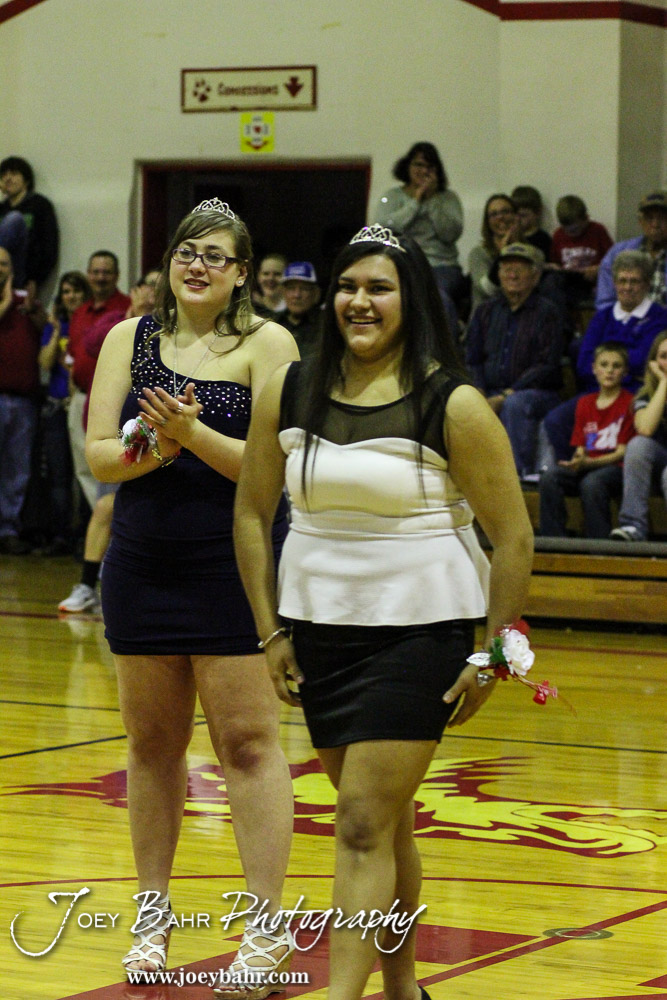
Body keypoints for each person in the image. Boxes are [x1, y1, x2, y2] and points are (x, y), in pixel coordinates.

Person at [233, 224, 533, 1000]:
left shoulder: (452, 404)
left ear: (412, 300)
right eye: (347, 286)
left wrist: (492, 654)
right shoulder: (288, 389)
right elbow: (251, 514)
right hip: (318, 634)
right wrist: (269, 631)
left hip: (419, 636)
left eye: (378, 288)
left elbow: (512, 537)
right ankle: (403, 989)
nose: (358, 302)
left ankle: (342, 995)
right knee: (385, 825)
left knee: (361, 824)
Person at [85, 198, 299, 989]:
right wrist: (159, 445)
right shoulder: (128, 338)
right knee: (151, 746)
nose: (197, 265)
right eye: (185, 251)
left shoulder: (270, 343)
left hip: (233, 566)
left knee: (246, 744)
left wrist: (191, 435)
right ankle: (151, 921)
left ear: (241, 273)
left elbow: (274, 467)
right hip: (140, 563)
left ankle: (265, 934)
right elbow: (101, 456)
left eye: (214, 255)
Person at [59, 271, 160, 612]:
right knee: (105, 507)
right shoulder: (118, 322)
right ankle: (91, 583)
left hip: (160, 427)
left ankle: (116, 582)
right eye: (147, 285)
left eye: (158, 286)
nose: (152, 292)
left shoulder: (176, 329)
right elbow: (89, 344)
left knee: (122, 509)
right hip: (116, 428)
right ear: (135, 289)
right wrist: (133, 316)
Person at [542, 250, 667, 464]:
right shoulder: (603, 316)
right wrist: (621, 369)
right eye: (622, 280)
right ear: (614, 283)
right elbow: (584, 364)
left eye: (634, 281)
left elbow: (645, 361)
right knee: (556, 420)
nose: (627, 287)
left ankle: (613, 471)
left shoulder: (660, 317)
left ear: (647, 284)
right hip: (598, 392)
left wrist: (605, 365)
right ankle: (573, 470)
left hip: (636, 393)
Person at [465, 242, 563, 477]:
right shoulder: (484, 311)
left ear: (535, 276)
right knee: (461, 402)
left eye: (520, 269)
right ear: (498, 275)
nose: (512, 275)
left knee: (515, 404)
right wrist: (479, 391)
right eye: (507, 268)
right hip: (489, 390)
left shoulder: (548, 312)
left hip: (535, 393)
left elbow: (547, 365)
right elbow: (472, 358)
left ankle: (517, 477)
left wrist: (506, 395)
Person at [539, 343, 635, 538]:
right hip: (588, 465)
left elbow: (622, 452)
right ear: (594, 368)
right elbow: (581, 446)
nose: (610, 371)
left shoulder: (630, 402)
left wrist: (587, 463)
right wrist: (577, 460)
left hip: (616, 468)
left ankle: (599, 547)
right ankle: (555, 542)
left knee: (592, 483)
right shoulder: (584, 403)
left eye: (616, 366)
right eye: (604, 365)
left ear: (625, 372)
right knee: (550, 477)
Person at [67, 251, 131, 513]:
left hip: (112, 403)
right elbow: (73, 353)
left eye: (106, 272)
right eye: (95, 272)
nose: (100, 277)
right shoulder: (80, 311)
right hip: (80, 398)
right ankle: (99, 523)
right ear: (88, 274)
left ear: (117, 275)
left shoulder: (126, 309)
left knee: (108, 467)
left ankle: (107, 523)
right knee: (84, 469)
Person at [37, 271, 92, 555]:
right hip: (56, 406)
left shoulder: (90, 325)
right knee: (59, 477)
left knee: (85, 474)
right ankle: (61, 536)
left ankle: (85, 536)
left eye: (76, 291)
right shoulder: (55, 326)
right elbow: (45, 364)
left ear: (85, 294)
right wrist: (58, 331)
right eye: (66, 292)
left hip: (83, 405)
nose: (71, 297)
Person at [373, 141, 464, 305]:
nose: (423, 171)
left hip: (441, 266)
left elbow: (450, 234)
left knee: (437, 298)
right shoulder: (392, 196)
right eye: (418, 165)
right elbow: (383, 229)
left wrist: (432, 200)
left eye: (429, 167)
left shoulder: (449, 198)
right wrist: (415, 201)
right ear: (407, 166)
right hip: (401, 263)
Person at [0, 246, 43, 554]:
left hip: (23, 401)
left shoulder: (26, 303)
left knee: (17, 471)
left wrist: (37, 313)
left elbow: (47, 332)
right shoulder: (8, 303)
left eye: (4, 264)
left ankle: (8, 529)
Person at [610, 331, 667, 541]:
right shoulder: (646, 394)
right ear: (654, 362)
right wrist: (664, 383)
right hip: (658, 459)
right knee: (638, 444)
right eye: (664, 356)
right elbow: (645, 428)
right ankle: (633, 527)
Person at [596, 191, 667, 309]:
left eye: (662, 218)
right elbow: (605, 301)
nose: (655, 224)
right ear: (640, 221)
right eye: (649, 218)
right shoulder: (619, 253)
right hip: (624, 319)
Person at [0, 156, 59, 295]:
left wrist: (35, 280)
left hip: (22, 274)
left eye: (14, 174)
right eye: (4, 175)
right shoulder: (1, 209)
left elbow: (49, 246)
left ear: (26, 180)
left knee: (14, 219)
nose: (8, 179)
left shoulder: (39, 205)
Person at [550, 195, 613, 307]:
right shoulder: (558, 235)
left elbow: (614, 259)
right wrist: (555, 268)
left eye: (575, 230)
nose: (571, 234)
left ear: (586, 219)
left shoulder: (598, 231)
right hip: (569, 285)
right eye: (567, 230)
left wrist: (599, 268)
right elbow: (555, 263)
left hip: (594, 282)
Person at [467, 193, 519, 314]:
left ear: (516, 216)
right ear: (487, 222)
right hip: (487, 318)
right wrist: (503, 254)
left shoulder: (531, 251)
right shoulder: (478, 253)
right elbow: (488, 290)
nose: (500, 217)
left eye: (505, 212)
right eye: (494, 214)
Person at [275, 261, 322, 357]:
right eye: (291, 288)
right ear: (283, 292)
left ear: (316, 293)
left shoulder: (327, 324)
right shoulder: (273, 324)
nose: (297, 295)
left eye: (304, 289)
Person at [511, 185, 552, 260]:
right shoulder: (512, 235)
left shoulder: (543, 239)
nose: (518, 219)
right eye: (515, 214)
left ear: (537, 213)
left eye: (523, 215)